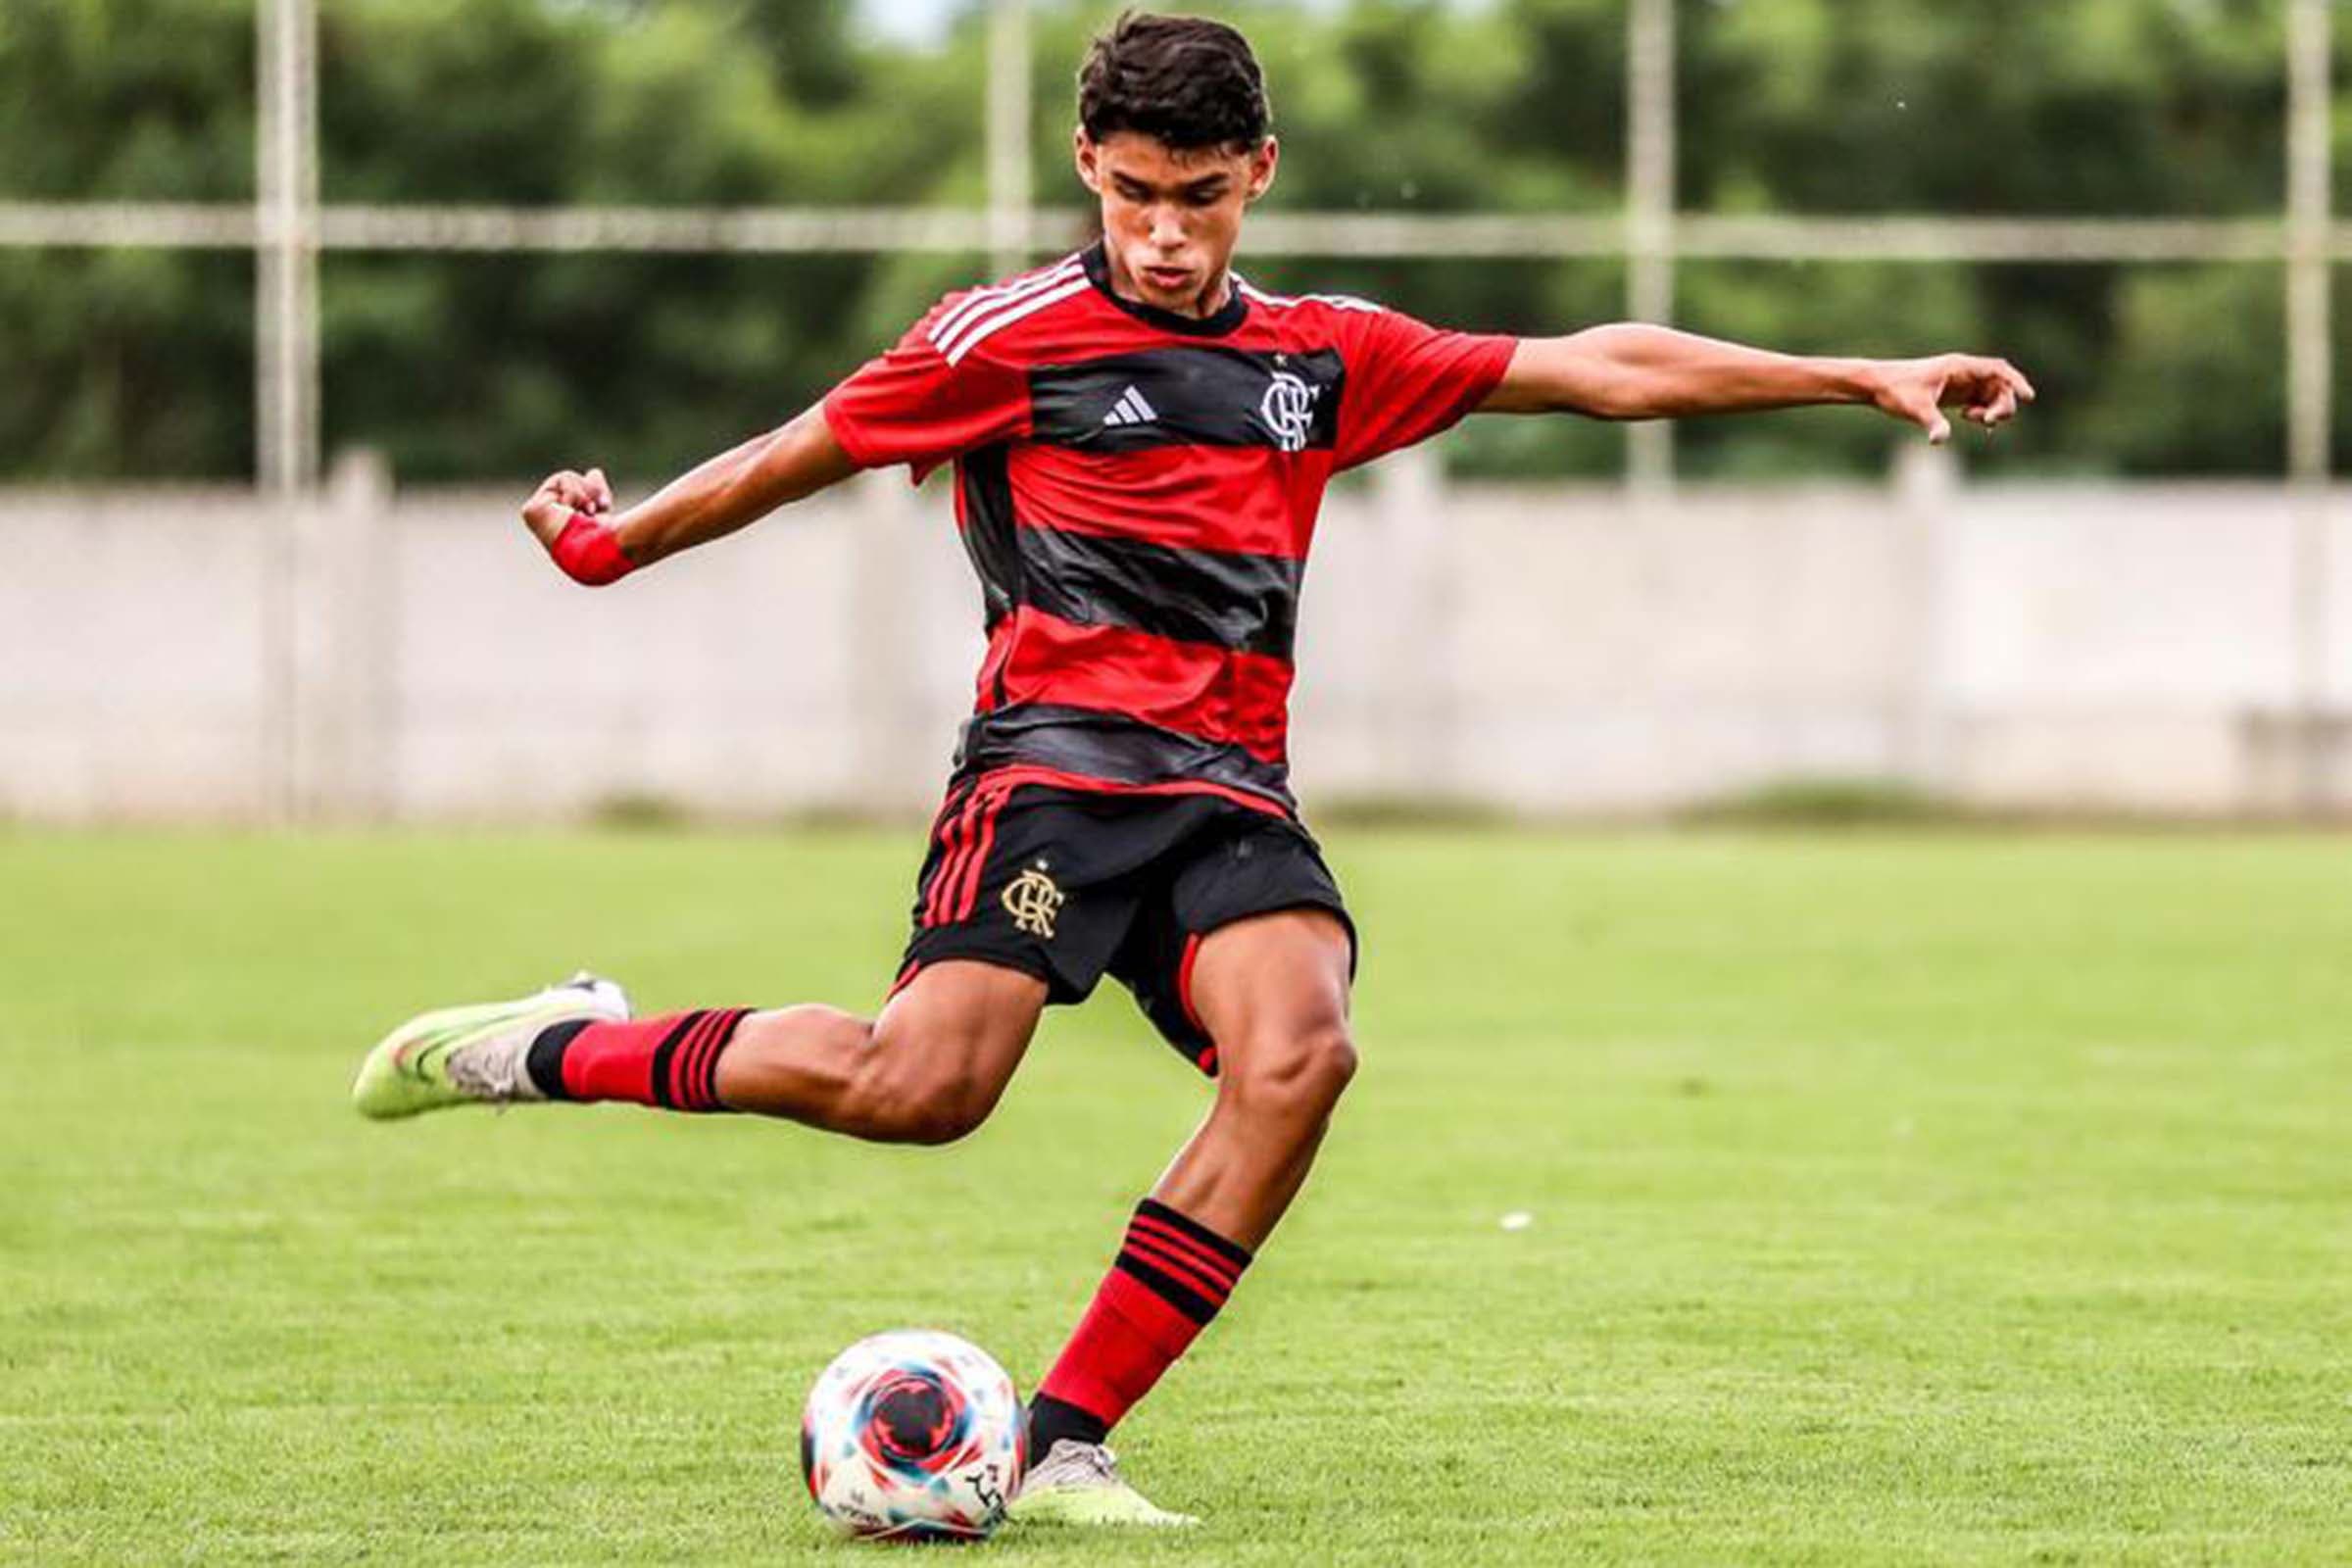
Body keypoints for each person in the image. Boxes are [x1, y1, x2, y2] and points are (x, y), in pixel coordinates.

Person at [351, 10, 2033, 1528]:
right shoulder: (1000, 339)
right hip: (1051, 779)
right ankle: (552, 1045)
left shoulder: (1319, 355)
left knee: (1301, 1056)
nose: (1165, 232)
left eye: (1203, 198)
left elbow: (1594, 366)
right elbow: (799, 453)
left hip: (1230, 793)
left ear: (1260, 175)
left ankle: (1063, 1440)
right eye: (1137, 193)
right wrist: (613, 547)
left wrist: (1852, 373)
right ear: (1088, 162)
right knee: (918, 1091)